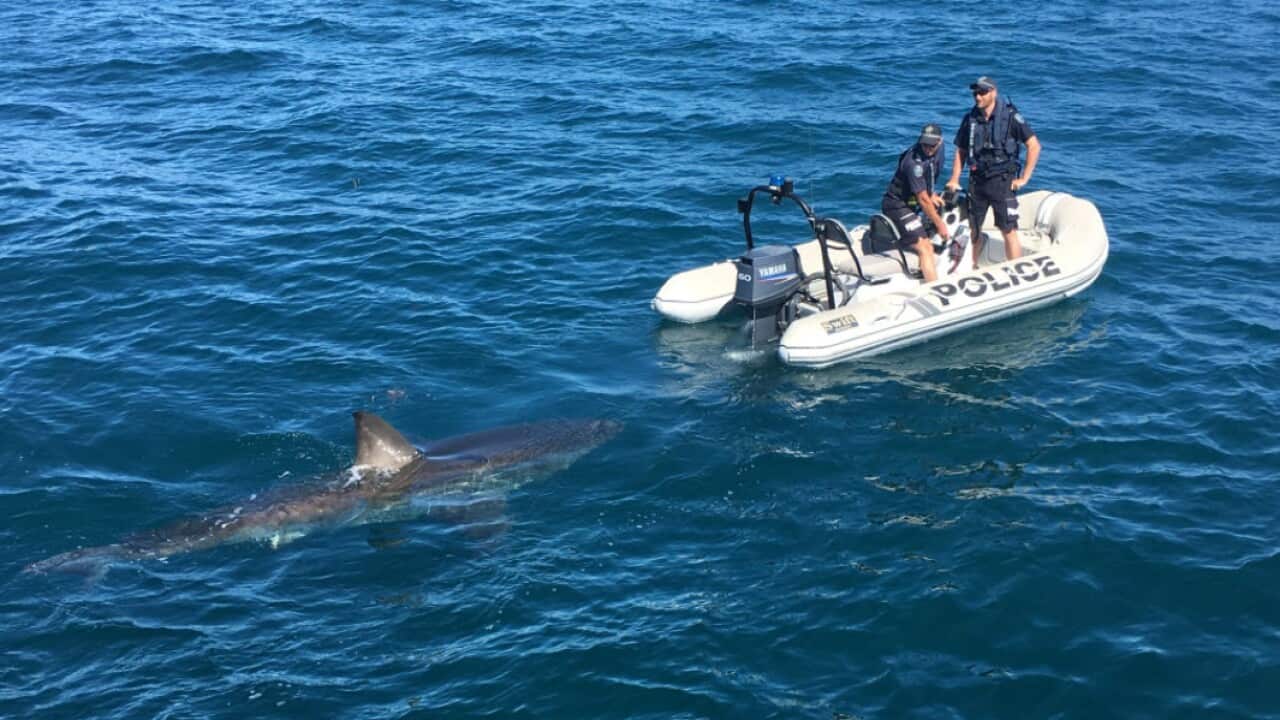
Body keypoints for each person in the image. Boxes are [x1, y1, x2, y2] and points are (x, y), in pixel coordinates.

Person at [944, 76, 1040, 268]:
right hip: (977, 181)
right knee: (975, 229)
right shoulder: (970, 119)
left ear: (993, 93)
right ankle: (970, 267)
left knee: (1008, 229)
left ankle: (1015, 269)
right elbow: (961, 150)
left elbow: (1034, 146)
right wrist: (954, 178)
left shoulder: (1011, 117)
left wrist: (1024, 178)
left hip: (1002, 181)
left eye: (982, 92)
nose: (978, 97)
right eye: (975, 93)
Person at [881, 123, 949, 283]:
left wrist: (931, 193)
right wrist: (940, 225)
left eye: (932, 145)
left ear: (940, 142)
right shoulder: (913, 164)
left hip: (914, 202)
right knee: (926, 247)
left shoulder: (940, 148)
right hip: (897, 205)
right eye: (924, 144)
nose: (928, 148)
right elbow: (923, 200)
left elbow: (932, 172)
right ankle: (934, 289)